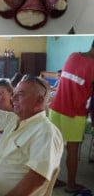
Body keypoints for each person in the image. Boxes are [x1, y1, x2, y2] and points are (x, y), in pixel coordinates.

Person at [0, 70, 64, 195]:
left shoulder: (46, 132)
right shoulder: (13, 119)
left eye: (20, 94)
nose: (13, 98)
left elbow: (36, 180)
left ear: (39, 100)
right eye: (14, 93)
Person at [49, 41, 94, 193]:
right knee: (72, 149)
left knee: (53, 147)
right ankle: (71, 185)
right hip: (74, 114)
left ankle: (51, 180)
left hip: (55, 108)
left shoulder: (73, 56)